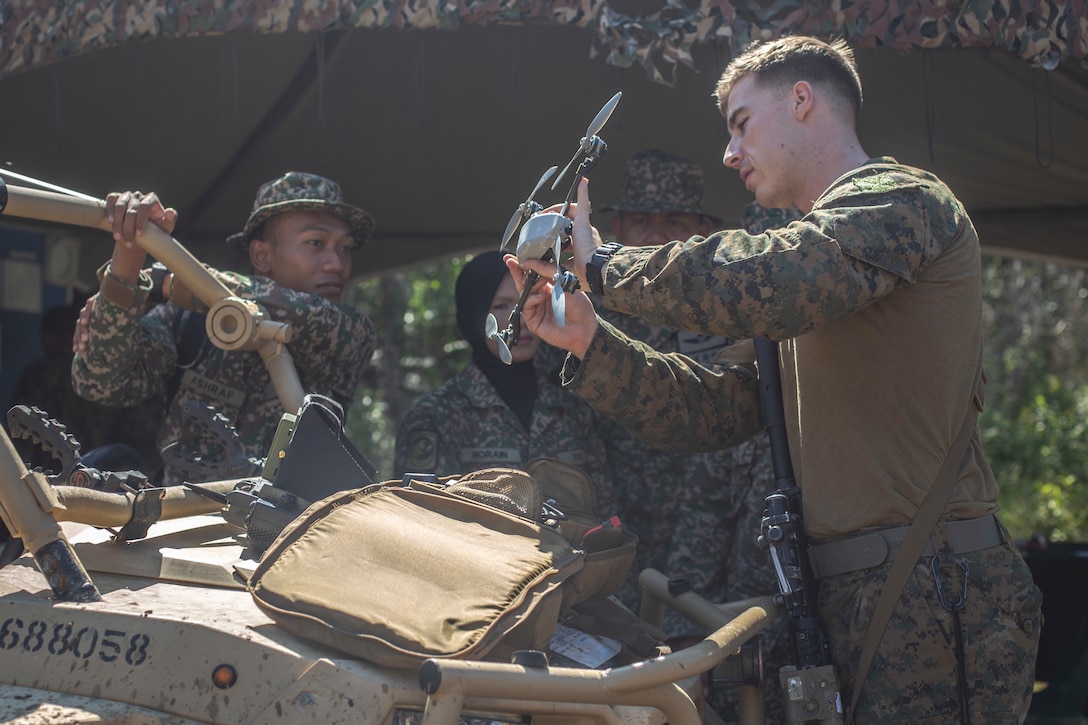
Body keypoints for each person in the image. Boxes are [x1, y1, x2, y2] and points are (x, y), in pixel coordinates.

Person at [507, 35, 1042, 724]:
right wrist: (590, 339)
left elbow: (775, 277)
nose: (730, 153)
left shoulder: (900, 202)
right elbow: (714, 410)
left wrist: (608, 267)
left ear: (801, 100)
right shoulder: (810, 267)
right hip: (853, 594)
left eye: (740, 123)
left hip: (936, 593)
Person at [73, 172, 378, 486]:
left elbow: (301, 312)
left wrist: (162, 279)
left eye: (345, 249)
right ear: (262, 255)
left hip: (297, 530)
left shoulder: (348, 332)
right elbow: (101, 383)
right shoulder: (187, 321)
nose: (336, 264)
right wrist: (128, 259)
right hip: (183, 526)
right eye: (316, 243)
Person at [394, 250, 617, 518]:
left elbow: (606, 513)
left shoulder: (572, 405)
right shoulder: (436, 416)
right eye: (501, 306)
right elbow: (422, 519)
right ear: (473, 314)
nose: (519, 318)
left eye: (528, 300)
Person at [8, 302, 160, 475]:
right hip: (107, 473)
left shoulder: (40, 374)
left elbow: (18, 432)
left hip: (52, 478)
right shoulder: (110, 372)